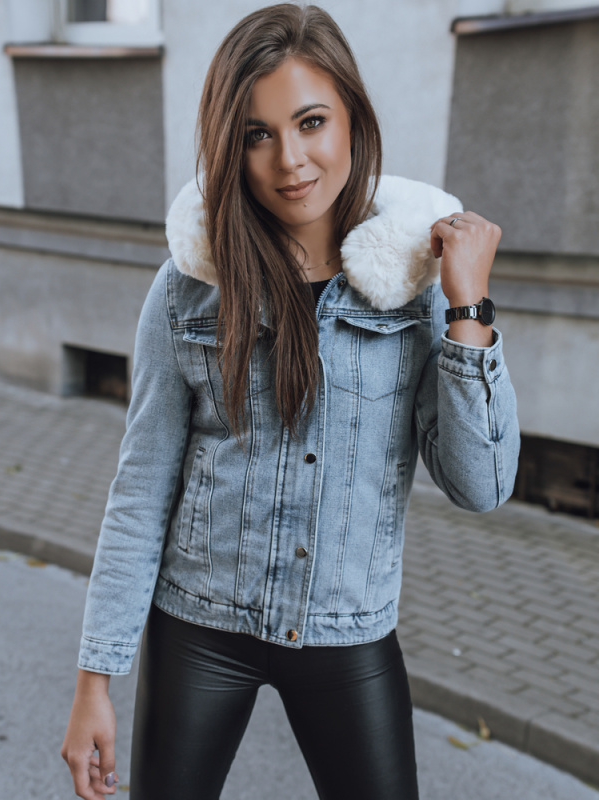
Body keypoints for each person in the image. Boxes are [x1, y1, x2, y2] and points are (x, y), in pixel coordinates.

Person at [61, 4, 519, 799]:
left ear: (352, 120)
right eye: (257, 134)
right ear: (229, 146)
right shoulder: (188, 287)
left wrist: (468, 306)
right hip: (199, 626)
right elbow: (141, 487)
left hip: (349, 634)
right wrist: (94, 680)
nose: (290, 160)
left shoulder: (415, 289)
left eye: (311, 122)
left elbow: (480, 487)